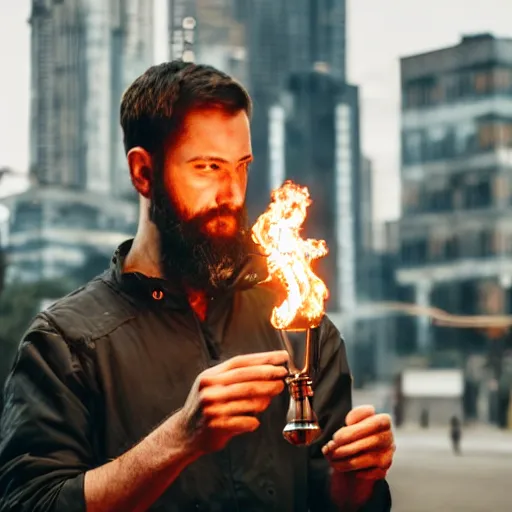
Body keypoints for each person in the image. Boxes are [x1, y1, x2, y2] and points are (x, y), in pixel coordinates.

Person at [0, 61, 394, 512]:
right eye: (208, 167)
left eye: (241, 167)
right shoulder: (65, 344)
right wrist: (178, 438)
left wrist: (357, 480)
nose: (232, 194)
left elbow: (335, 500)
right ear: (143, 173)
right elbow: (30, 503)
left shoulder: (300, 321)